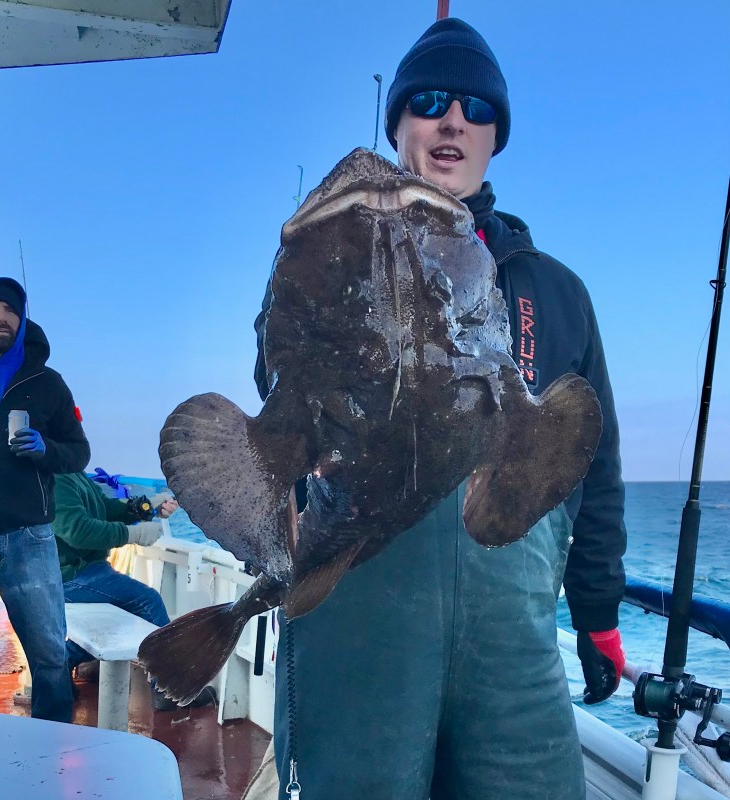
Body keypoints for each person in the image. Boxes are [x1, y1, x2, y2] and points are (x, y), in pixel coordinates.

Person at [254, 18, 627, 800]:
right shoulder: (329, 246)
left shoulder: (554, 291)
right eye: (427, 101)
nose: (452, 119)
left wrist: (596, 612)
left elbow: (596, 464)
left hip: (512, 645)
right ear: (398, 127)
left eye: (475, 108)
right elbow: (274, 384)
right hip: (364, 614)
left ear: (496, 137)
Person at [0, 277, 90, 723]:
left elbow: (79, 453)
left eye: (11, 310)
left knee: (50, 655)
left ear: (21, 318)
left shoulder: (48, 384)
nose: (1, 318)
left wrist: (46, 450)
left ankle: (53, 753)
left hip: (29, 539)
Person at [52, 471, 215, 710]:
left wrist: (145, 507)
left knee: (122, 612)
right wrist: (134, 534)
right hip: (70, 576)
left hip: (85, 571)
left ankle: (60, 663)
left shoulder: (74, 474)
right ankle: (167, 689)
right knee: (147, 602)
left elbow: (106, 508)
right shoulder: (58, 480)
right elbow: (79, 531)